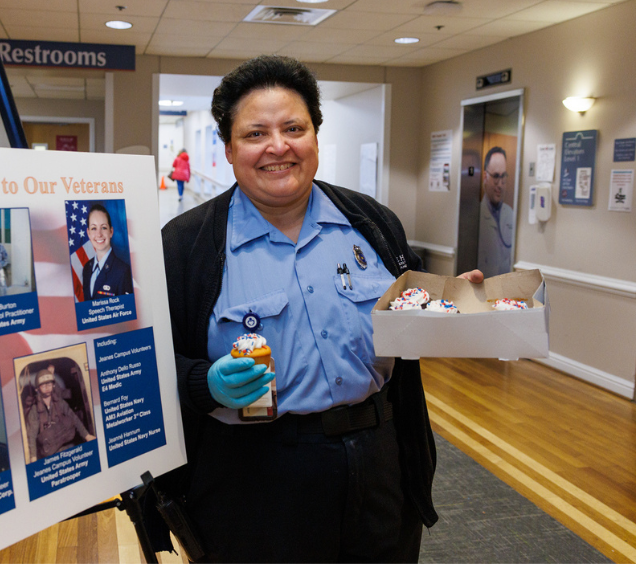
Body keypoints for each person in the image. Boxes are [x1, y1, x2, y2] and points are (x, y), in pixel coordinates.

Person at [160, 55, 483, 563]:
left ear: (315, 136)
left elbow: (409, 311)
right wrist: (204, 383)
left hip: (377, 464)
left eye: (294, 127)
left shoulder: (374, 224)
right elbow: (145, 368)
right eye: (255, 133)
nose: (278, 146)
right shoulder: (185, 246)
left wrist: (449, 304)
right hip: (255, 478)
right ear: (228, 148)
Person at [25, 366, 95, 461]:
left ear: (53, 385)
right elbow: (31, 434)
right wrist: (33, 457)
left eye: (49, 384)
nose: (47, 387)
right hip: (50, 452)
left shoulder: (60, 402)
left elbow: (74, 418)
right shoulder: (35, 409)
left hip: (66, 444)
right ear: (37, 389)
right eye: (43, 385)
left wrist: (87, 435)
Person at [81, 203, 133, 301]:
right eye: (94, 228)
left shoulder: (123, 271)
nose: (99, 234)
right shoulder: (87, 268)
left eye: (104, 227)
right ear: (88, 233)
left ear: (111, 232)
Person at [478, 146, 514, 277]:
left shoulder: (511, 214)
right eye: (496, 176)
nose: (500, 184)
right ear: (485, 177)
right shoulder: (475, 217)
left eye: (503, 176)